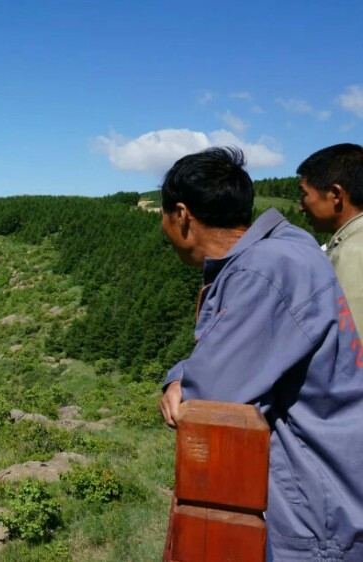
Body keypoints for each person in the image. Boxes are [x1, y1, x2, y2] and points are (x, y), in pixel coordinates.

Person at [157, 147, 363, 560]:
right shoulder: (290, 247)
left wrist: (179, 378)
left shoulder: (262, 273)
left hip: (315, 514)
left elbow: (203, 400)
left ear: (182, 215)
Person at [297, 143, 363, 334]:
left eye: (305, 194)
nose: (301, 206)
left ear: (335, 194)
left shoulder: (351, 253)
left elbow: (350, 346)